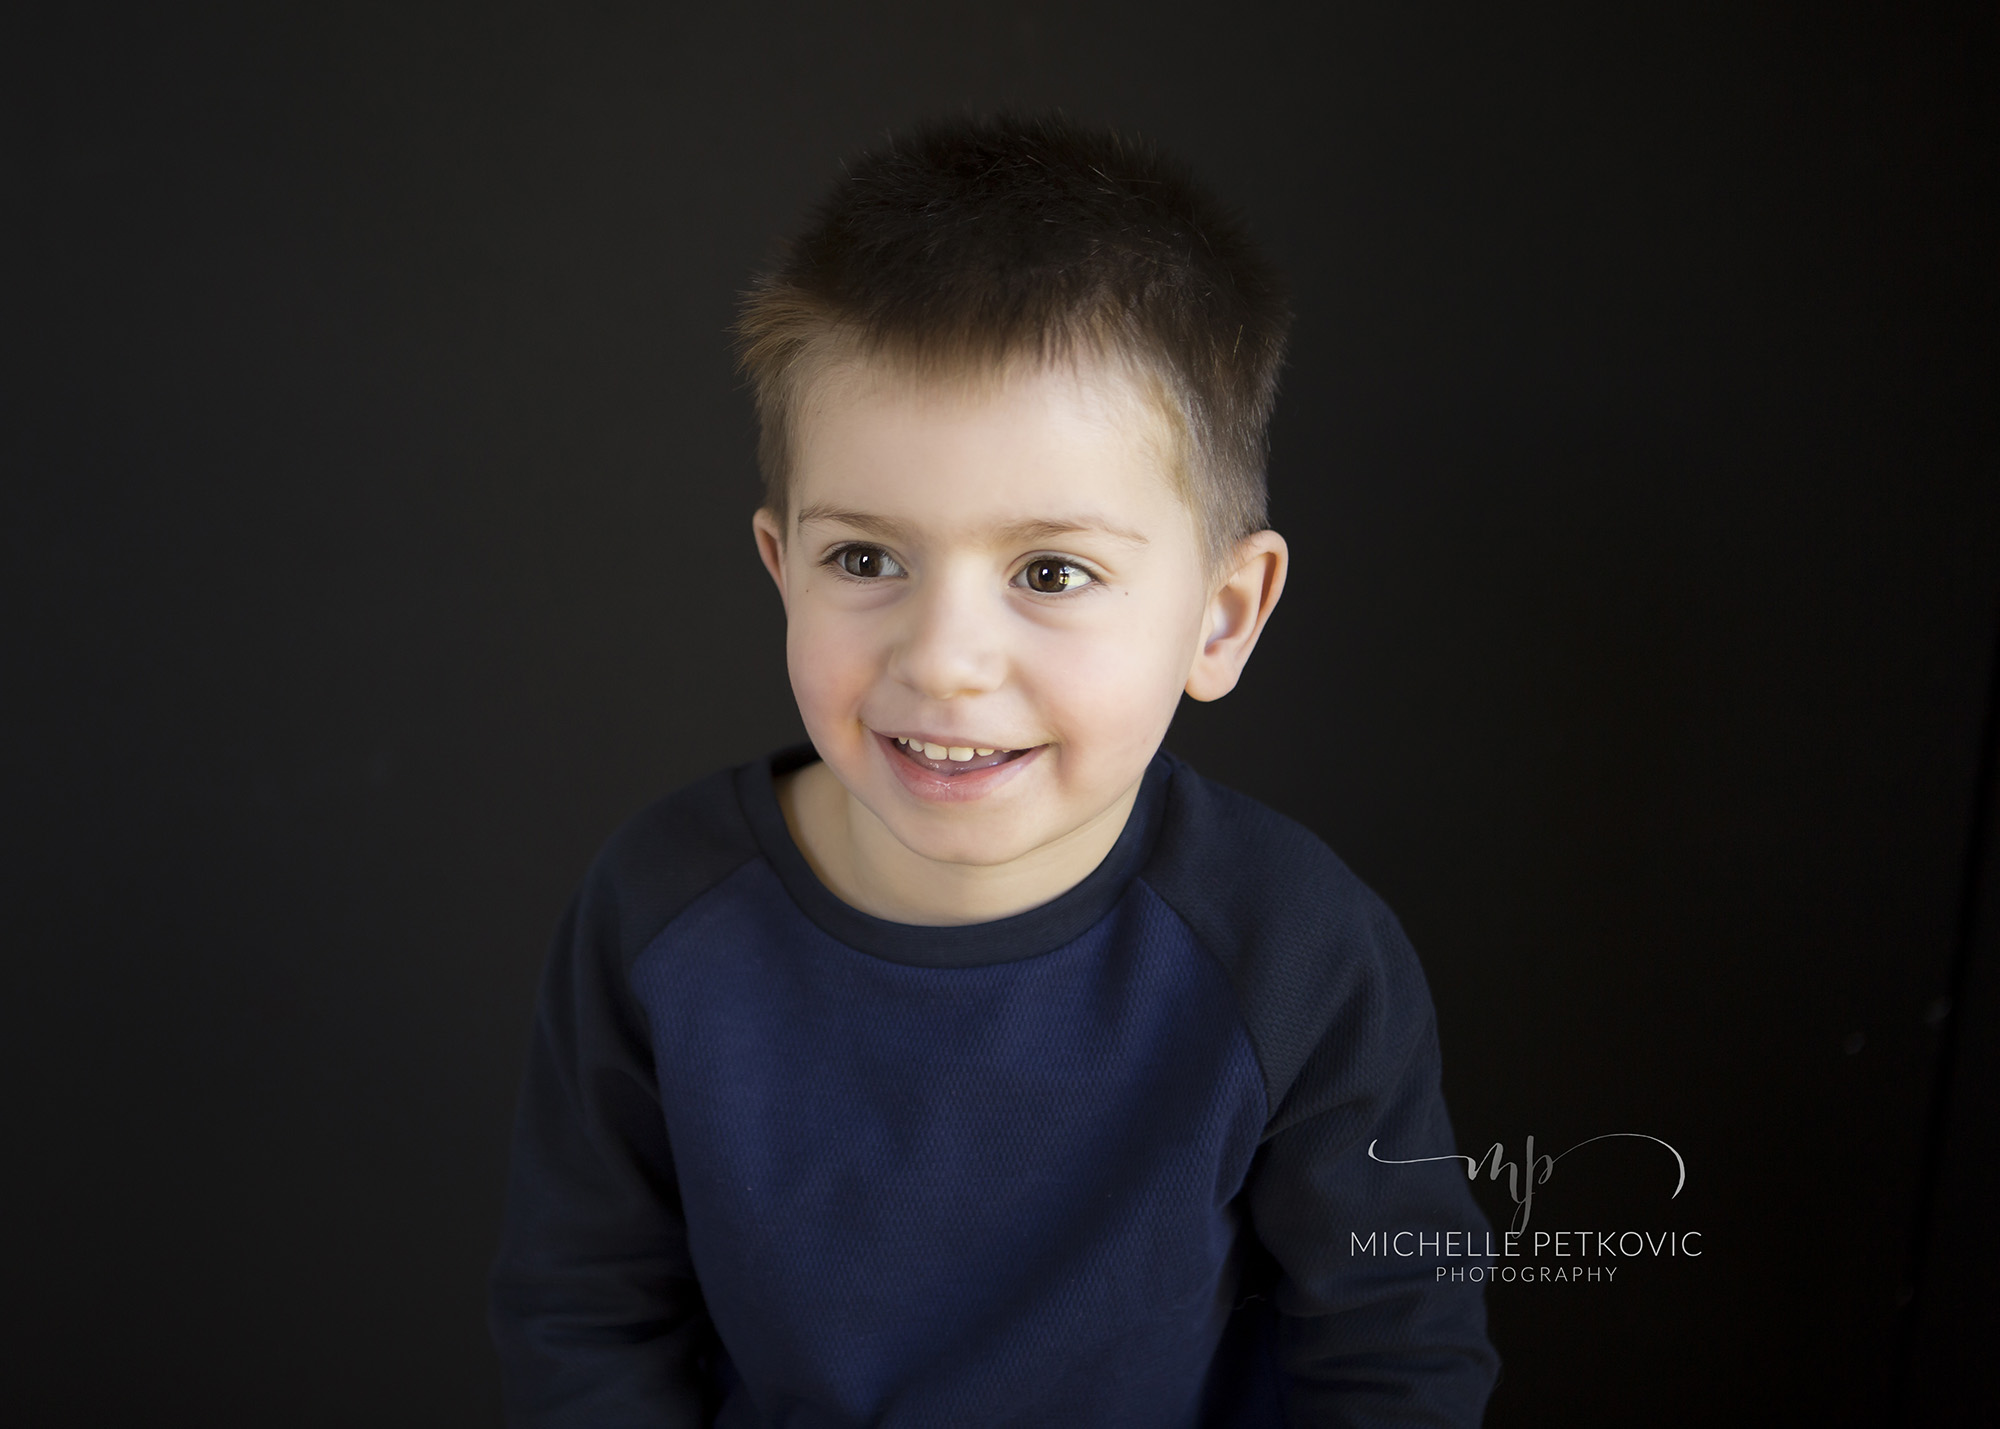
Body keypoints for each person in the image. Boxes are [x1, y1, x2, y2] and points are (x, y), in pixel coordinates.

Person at [488, 112, 1499, 1427]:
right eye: (866, 559)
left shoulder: (1295, 949)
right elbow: (586, 1321)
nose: (946, 659)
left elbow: (1393, 1359)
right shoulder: (660, 914)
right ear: (779, 563)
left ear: (1223, 614)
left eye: (1051, 571)